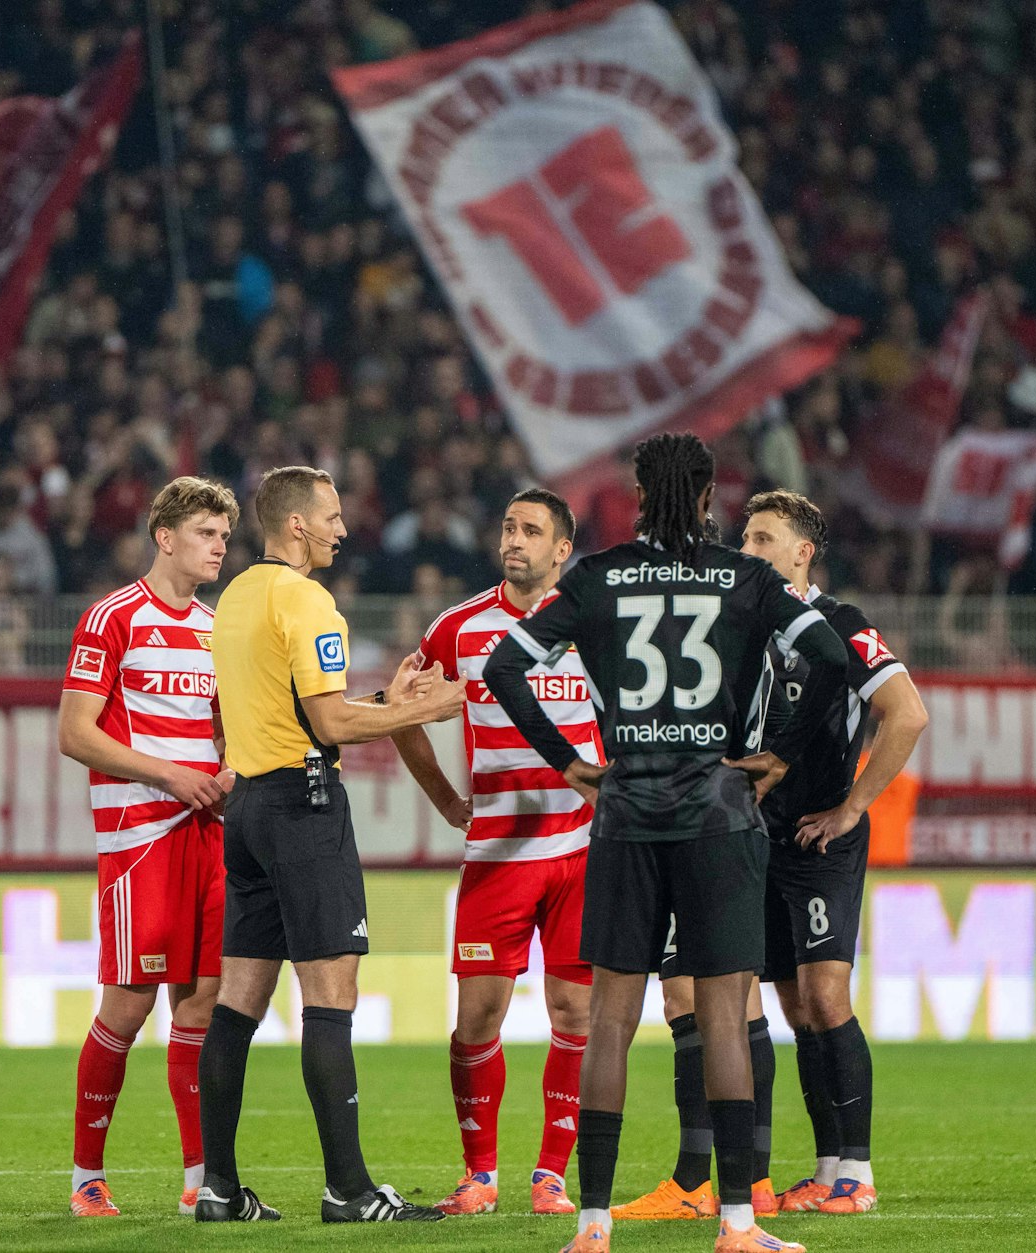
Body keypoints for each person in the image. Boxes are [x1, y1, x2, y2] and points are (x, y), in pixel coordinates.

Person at [484, 433, 848, 1253]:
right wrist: (780, 753)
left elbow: (507, 665)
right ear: (712, 493)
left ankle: (591, 1223)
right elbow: (830, 656)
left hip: (626, 813)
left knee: (610, 1019)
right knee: (725, 1018)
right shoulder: (746, 577)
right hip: (721, 815)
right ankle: (738, 1224)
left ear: (639, 493)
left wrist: (575, 764)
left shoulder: (601, 575)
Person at [618, 490, 926, 1222]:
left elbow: (907, 713)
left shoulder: (841, 626)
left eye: (763, 540)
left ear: (801, 552)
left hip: (820, 841)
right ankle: (811, 1172)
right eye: (745, 539)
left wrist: (853, 806)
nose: (747, 551)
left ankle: (856, 1169)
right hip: (754, 839)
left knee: (825, 999)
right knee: (787, 1008)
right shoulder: (742, 626)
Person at [195, 464, 465, 1223]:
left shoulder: (238, 595)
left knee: (237, 1005)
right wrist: (433, 709)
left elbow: (297, 706)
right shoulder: (308, 599)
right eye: (332, 516)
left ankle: (218, 1188)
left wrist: (388, 700)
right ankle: (348, 1188)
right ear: (296, 526)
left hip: (247, 807)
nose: (343, 530)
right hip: (304, 809)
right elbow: (331, 726)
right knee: (331, 997)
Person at [391, 489, 600, 1218]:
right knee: (478, 1017)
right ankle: (479, 1174)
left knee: (575, 1010)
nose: (514, 539)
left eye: (531, 530)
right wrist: (449, 801)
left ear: (561, 549)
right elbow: (399, 711)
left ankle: (551, 1175)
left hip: (581, 850)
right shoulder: (459, 627)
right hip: (498, 854)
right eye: (508, 525)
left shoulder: (591, 619)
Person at [56, 476, 239, 1218]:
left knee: (200, 1010)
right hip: (140, 839)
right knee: (127, 1008)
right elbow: (75, 732)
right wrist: (169, 773)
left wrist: (228, 769)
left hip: (207, 834)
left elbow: (228, 730)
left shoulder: (214, 627)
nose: (220, 547)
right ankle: (86, 1176)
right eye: (206, 533)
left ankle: (200, 1178)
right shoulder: (112, 617)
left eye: (225, 536)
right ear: (165, 537)